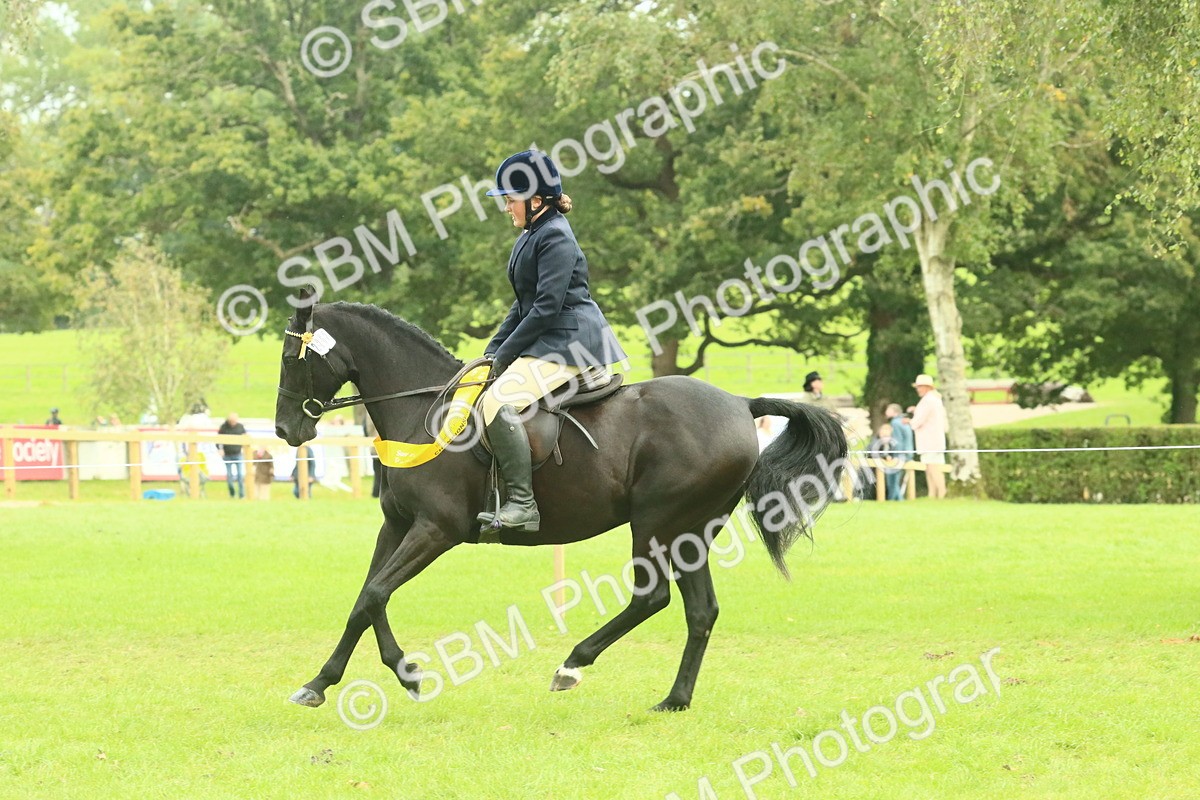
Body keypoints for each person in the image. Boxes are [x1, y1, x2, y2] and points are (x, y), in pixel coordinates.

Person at [475, 150, 628, 534]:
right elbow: (522, 304)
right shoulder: (532, 235)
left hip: (572, 343)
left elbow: (545, 308)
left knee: (497, 401)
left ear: (536, 200)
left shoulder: (555, 235)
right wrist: (493, 349)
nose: (506, 207)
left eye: (511, 199)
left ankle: (523, 504)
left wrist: (506, 355)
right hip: (551, 341)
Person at [910, 374, 948, 498]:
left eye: (919, 387)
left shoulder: (928, 400)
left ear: (926, 387)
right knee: (929, 466)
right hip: (933, 440)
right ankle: (932, 494)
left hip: (930, 440)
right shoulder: (934, 399)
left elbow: (918, 421)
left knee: (933, 467)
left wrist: (910, 422)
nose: (918, 389)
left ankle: (941, 493)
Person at [885, 402, 914, 500]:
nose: (886, 412)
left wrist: (895, 455)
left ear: (895, 412)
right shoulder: (904, 421)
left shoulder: (895, 422)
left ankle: (894, 499)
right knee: (896, 478)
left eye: (888, 410)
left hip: (900, 454)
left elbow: (897, 441)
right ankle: (897, 499)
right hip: (908, 452)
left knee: (892, 478)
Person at [217, 412, 247, 499]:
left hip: (238, 454)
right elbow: (217, 439)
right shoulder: (223, 427)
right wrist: (220, 449)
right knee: (229, 476)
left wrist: (244, 449)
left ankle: (241, 495)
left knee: (240, 475)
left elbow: (245, 438)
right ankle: (232, 494)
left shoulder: (240, 427)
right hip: (227, 455)